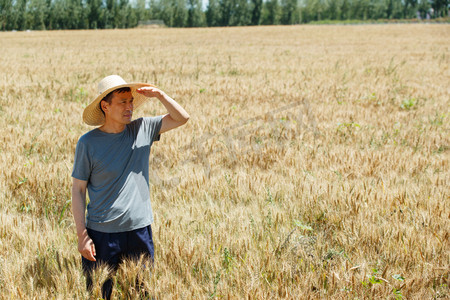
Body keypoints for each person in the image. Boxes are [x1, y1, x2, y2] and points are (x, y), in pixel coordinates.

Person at [71, 75, 189, 299]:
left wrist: (160, 95)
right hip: (101, 235)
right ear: (105, 106)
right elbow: (78, 190)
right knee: (100, 294)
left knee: (142, 293)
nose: (129, 107)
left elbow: (182, 117)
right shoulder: (88, 143)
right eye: (122, 102)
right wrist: (82, 235)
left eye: (131, 101)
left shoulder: (143, 128)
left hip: (139, 231)